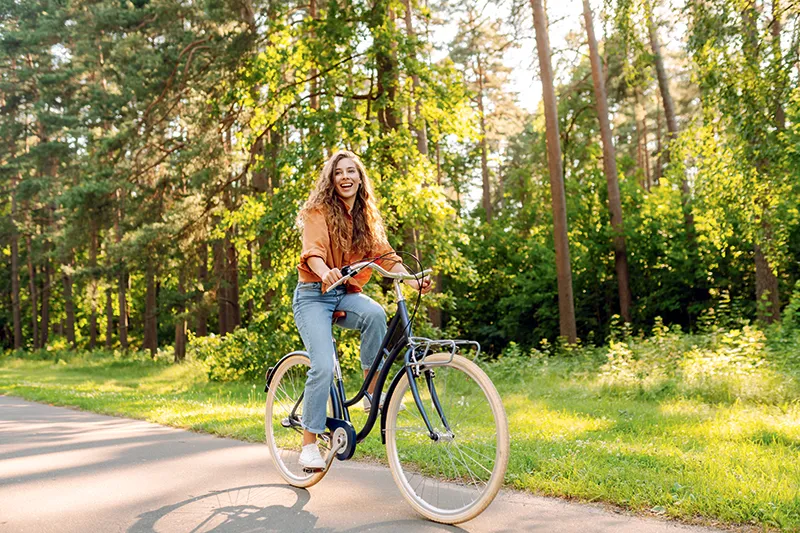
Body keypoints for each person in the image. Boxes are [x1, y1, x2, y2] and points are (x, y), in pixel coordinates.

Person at [293, 150, 431, 470]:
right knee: (323, 366)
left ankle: (371, 391)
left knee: (374, 314)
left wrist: (413, 281)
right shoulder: (318, 211)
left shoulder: (366, 218)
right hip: (313, 295)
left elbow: (385, 256)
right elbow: (311, 252)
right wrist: (324, 269)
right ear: (331, 179)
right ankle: (309, 444)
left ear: (359, 177)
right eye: (338, 172)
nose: (345, 177)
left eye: (351, 171)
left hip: (343, 293)